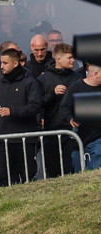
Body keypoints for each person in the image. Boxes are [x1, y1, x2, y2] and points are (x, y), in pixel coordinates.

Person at [0, 48, 43, 186]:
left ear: (15, 63)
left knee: (26, 176)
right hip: (3, 139)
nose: (1, 66)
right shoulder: (0, 83)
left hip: (23, 139)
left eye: (5, 63)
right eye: (1, 62)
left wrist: (12, 111)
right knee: (0, 176)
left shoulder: (30, 82)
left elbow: (35, 106)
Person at [37, 43, 82, 177]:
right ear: (57, 58)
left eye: (73, 57)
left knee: (72, 169)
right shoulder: (44, 79)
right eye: (69, 57)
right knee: (53, 170)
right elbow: (37, 103)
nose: (73, 60)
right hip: (51, 131)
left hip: (72, 130)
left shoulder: (77, 78)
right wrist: (52, 93)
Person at [61, 64, 101, 171]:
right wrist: (70, 118)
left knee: (95, 169)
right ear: (96, 74)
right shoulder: (76, 87)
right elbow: (64, 107)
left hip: (97, 138)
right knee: (79, 172)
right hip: (78, 139)